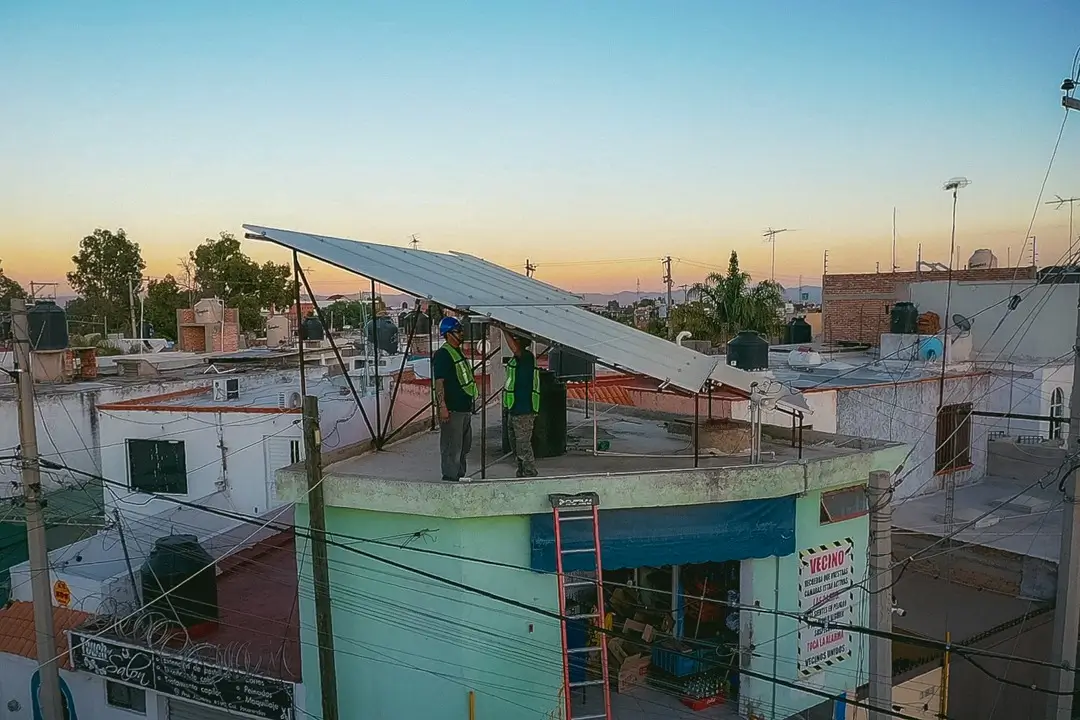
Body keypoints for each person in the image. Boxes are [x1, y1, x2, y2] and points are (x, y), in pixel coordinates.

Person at [432, 316, 477, 481]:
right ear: (448, 334)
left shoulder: (457, 352)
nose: (462, 333)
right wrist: (442, 406)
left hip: (463, 408)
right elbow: (439, 382)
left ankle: (459, 476)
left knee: (463, 446)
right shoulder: (443, 354)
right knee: (452, 447)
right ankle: (450, 478)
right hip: (452, 409)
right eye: (458, 331)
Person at [504, 332, 540, 477]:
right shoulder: (516, 360)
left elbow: (515, 349)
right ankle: (522, 471)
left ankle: (529, 472)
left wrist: (502, 329)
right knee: (516, 445)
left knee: (523, 445)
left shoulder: (526, 357)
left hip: (524, 410)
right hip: (514, 408)